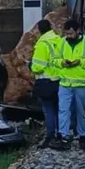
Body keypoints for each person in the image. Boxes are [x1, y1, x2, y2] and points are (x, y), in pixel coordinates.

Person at [55, 19, 85, 146]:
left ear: (78, 31)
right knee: (63, 110)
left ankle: (82, 135)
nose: (68, 36)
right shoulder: (62, 42)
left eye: (70, 33)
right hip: (65, 84)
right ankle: (63, 135)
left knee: (81, 111)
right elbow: (54, 60)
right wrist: (61, 63)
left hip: (82, 84)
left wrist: (80, 62)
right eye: (66, 34)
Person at [29, 19, 62, 147]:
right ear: (50, 27)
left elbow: (38, 67)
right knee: (60, 109)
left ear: (39, 30)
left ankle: (50, 136)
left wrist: (31, 65)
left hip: (46, 82)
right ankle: (61, 134)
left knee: (48, 110)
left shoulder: (42, 44)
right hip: (60, 80)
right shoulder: (59, 40)